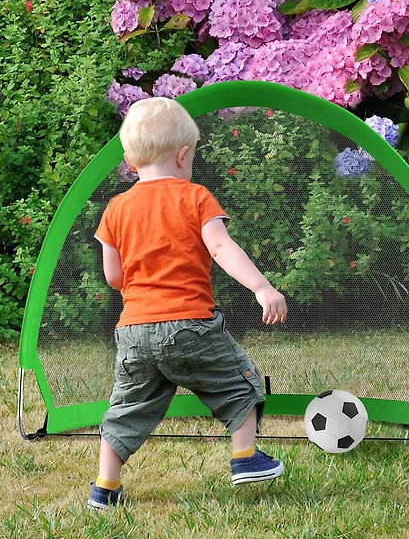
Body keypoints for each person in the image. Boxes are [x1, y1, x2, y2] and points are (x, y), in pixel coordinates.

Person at [88, 96, 288, 509]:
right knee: (241, 382)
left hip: (133, 331)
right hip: (190, 325)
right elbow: (220, 247)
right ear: (183, 156)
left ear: (129, 160)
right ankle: (245, 458)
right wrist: (261, 287)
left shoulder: (116, 209)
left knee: (125, 407)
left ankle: (105, 487)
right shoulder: (195, 197)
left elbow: (113, 276)